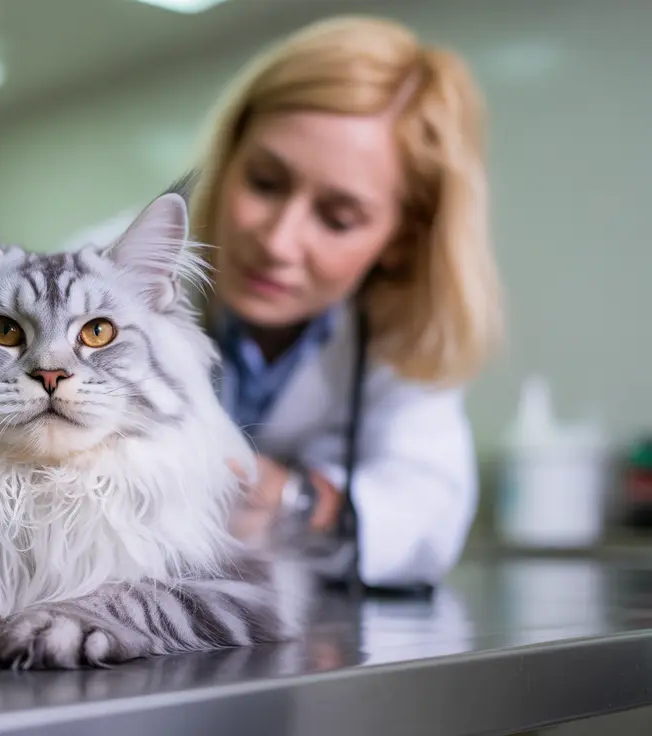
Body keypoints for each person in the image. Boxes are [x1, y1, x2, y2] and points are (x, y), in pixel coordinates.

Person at [189, 16, 503, 589]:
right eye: (263, 182)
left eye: (338, 219)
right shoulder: (114, 278)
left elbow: (424, 520)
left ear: (402, 236)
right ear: (228, 156)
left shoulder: (404, 334)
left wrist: (288, 498)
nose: (278, 242)